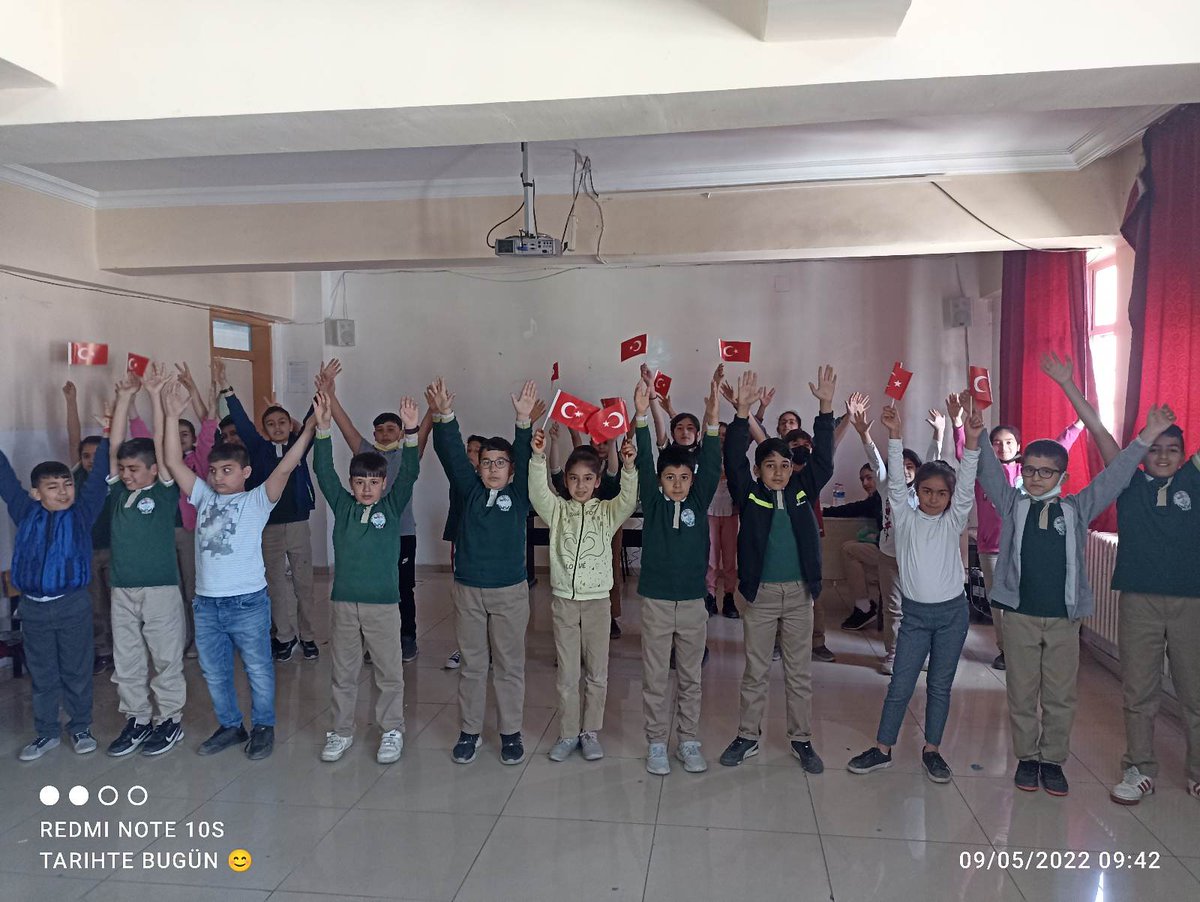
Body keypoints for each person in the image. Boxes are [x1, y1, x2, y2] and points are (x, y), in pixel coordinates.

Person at [976, 356, 1173, 797]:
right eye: (1029, 470)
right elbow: (988, 471)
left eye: (1045, 472)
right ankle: (1027, 758)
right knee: (1022, 694)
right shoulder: (1013, 505)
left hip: (1065, 620)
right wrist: (975, 434)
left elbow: (1117, 475)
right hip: (1021, 617)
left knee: (1061, 697)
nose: (1035, 478)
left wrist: (1144, 439)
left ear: (1062, 477)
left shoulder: (1076, 507)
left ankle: (1053, 760)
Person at [1039, 353, 1200, 804]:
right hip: (1138, 601)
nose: (1163, 455)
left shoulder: (1195, 478)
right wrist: (1069, 385)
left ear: (1183, 453)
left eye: (1172, 449)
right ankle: (1139, 768)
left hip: (1191, 601)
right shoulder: (1128, 481)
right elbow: (1098, 431)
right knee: (1139, 690)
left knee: (1194, 691)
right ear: (1144, 452)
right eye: (1155, 448)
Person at [160, 376, 316, 760]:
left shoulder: (257, 501)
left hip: (246, 603)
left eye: (227, 471)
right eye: (214, 471)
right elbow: (170, 461)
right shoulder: (203, 496)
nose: (217, 477)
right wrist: (168, 415)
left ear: (245, 473)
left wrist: (311, 427)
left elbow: (288, 463)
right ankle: (230, 725)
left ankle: (263, 726)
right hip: (207, 605)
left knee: (259, 670)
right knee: (214, 673)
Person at [847, 401, 980, 784]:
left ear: (950, 497)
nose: (933, 498)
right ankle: (883, 748)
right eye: (926, 491)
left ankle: (932, 750)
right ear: (915, 490)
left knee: (939, 685)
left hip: (952, 615)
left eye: (941, 493)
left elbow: (966, 481)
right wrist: (894, 433)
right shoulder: (903, 514)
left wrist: (970, 441)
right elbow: (890, 474)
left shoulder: (954, 518)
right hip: (916, 617)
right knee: (901, 683)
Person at [718, 367, 837, 773]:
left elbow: (823, 459)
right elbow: (733, 459)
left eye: (784, 465)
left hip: (800, 595)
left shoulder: (804, 491)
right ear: (758, 471)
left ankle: (802, 739)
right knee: (754, 670)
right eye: (768, 465)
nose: (777, 471)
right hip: (762, 595)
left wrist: (825, 408)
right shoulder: (750, 495)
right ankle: (747, 736)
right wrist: (741, 413)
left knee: (799, 672)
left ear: (791, 468)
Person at [430, 378, 536, 766]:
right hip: (469, 590)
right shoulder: (469, 489)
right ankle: (469, 731)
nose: (492, 468)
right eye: (486, 462)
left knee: (510, 665)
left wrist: (523, 421)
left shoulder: (520, 494)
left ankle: (510, 733)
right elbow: (453, 454)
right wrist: (445, 416)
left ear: (511, 471)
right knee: (474, 666)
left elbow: (524, 457)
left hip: (509, 591)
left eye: (501, 463)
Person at [312, 391, 421, 764]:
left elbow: (410, 471)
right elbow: (323, 472)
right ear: (352, 481)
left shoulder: (390, 508)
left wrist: (410, 431)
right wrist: (323, 429)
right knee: (343, 673)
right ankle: (341, 731)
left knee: (389, 673)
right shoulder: (343, 506)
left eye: (373, 482)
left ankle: (392, 730)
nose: (366, 489)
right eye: (359, 482)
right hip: (344, 604)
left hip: (383, 606)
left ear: (383, 483)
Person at [528, 418, 637, 763]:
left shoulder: (608, 512)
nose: (580, 485)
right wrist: (537, 458)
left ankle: (590, 731)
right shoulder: (557, 511)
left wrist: (630, 467)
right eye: (573, 478)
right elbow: (538, 492)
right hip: (563, 603)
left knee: (597, 673)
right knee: (567, 674)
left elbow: (629, 499)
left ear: (598, 481)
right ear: (566, 481)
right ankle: (568, 732)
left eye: (587, 479)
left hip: (597, 605)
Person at [950, 390, 1083, 672]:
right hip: (993, 548)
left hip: (1027, 549)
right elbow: (965, 451)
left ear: (1019, 445)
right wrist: (959, 424)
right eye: (996, 443)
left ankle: (1031, 649)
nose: (1002, 448)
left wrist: (1081, 423)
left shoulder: (1030, 470)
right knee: (999, 604)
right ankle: (1005, 650)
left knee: (1027, 601)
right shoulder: (983, 471)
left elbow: (1061, 446)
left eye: (1008, 442)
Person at [2, 422, 110, 761]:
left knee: (77, 669)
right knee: (44, 672)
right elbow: (4, 476)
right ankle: (46, 732)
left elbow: (98, 479)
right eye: (53, 487)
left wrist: (108, 435)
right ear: (36, 493)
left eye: (67, 485)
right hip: (33, 609)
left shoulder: (81, 515)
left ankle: (80, 726)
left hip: (72, 605)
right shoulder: (23, 511)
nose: (63, 492)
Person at [317, 359, 433, 663]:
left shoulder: (408, 454)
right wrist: (330, 392)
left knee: (402, 587)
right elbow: (344, 424)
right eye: (379, 430)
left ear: (400, 432)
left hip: (402, 532)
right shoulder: (366, 452)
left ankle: (406, 637)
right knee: (368, 588)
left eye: (390, 429)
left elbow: (419, 435)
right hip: (367, 534)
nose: (383, 434)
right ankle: (370, 641)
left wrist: (433, 409)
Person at [634, 376, 722, 775]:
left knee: (690, 677)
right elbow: (644, 457)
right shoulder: (652, 503)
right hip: (655, 601)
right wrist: (640, 414)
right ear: (659, 481)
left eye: (684, 478)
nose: (677, 484)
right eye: (670, 478)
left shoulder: (700, 497)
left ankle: (688, 739)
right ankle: (656, 742)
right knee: (655, 677)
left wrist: (714, 419)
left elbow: (713, 463)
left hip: (691, 603)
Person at [103, 366, 188, 758]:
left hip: (159, 589)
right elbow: (114, 445)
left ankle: (169, 718)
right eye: (122, 470)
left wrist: (155, 398)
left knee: (166, 654)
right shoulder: (119, 493)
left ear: (154, 470)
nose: (126, 474)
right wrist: (124, 399)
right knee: (128, 656)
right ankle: (137, 717)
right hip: (122, 587)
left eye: (134, 469)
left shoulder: (166, 492)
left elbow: (159, 445)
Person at [216, 360, 318, 663]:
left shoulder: (299, 446)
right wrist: (227, 389)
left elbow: (314, 421)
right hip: (269, 527)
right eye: (271, 424)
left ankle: (309, 637)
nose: (277, 427)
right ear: (264, 429)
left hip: (298, 524)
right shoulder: (258, 449)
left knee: (304, 583)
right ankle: (284, 637)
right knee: (275, 584)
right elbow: (242, 421)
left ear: (291, 425)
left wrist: (322, 390)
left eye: (282, 423)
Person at [128, 362, 216, 659]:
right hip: (163, 534)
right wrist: (130, 395)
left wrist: (195, 386)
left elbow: (209, 427)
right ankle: (177, 640)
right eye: (173, 435)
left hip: (191, 532)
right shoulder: (159, 460)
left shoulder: (200, 460)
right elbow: (138, 430)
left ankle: (200, 641)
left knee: (193, 589)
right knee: (171, 591)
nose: (179, 440)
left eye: (185, 435)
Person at [63, 382, 115, 675]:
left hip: (116, 548)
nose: (91, 460)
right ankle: (102, 650)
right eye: (86, 456)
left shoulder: (116, 475)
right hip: (87, 551)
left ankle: (122, 649)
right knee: (95, 604)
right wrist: (72, 400)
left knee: (118, 604)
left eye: (97, 455)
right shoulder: (77, 476)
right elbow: (73, 437)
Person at [442, 431, 486, 671]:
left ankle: (488, 648)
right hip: (462, 541)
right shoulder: (460, 478)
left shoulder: (492, 482)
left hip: (486, 550)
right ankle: (465, 647)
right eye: (468, 450)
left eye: (476, 451)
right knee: (463, 598)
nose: (471, 455)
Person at [824, 462, 884, 631]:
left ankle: (864, 607)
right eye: (862, 479)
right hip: (888, 550)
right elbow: (855, 508)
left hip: (894, 555)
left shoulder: (882, 497)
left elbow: (854, 509)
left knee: (849, 550)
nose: (865, 483)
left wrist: (824, 512)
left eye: (869, 478)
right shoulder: (877, 498)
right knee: (851, 548)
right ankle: (864, 604)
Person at [706, 420, 739, 619]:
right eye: (718, 434)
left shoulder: (734, 456)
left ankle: (729, 596)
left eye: (724, 434)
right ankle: (709, 595)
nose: (721, 437)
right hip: (709, 512)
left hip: (731, 512)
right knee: (710, 558)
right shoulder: (705, 455)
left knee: (729, 558)